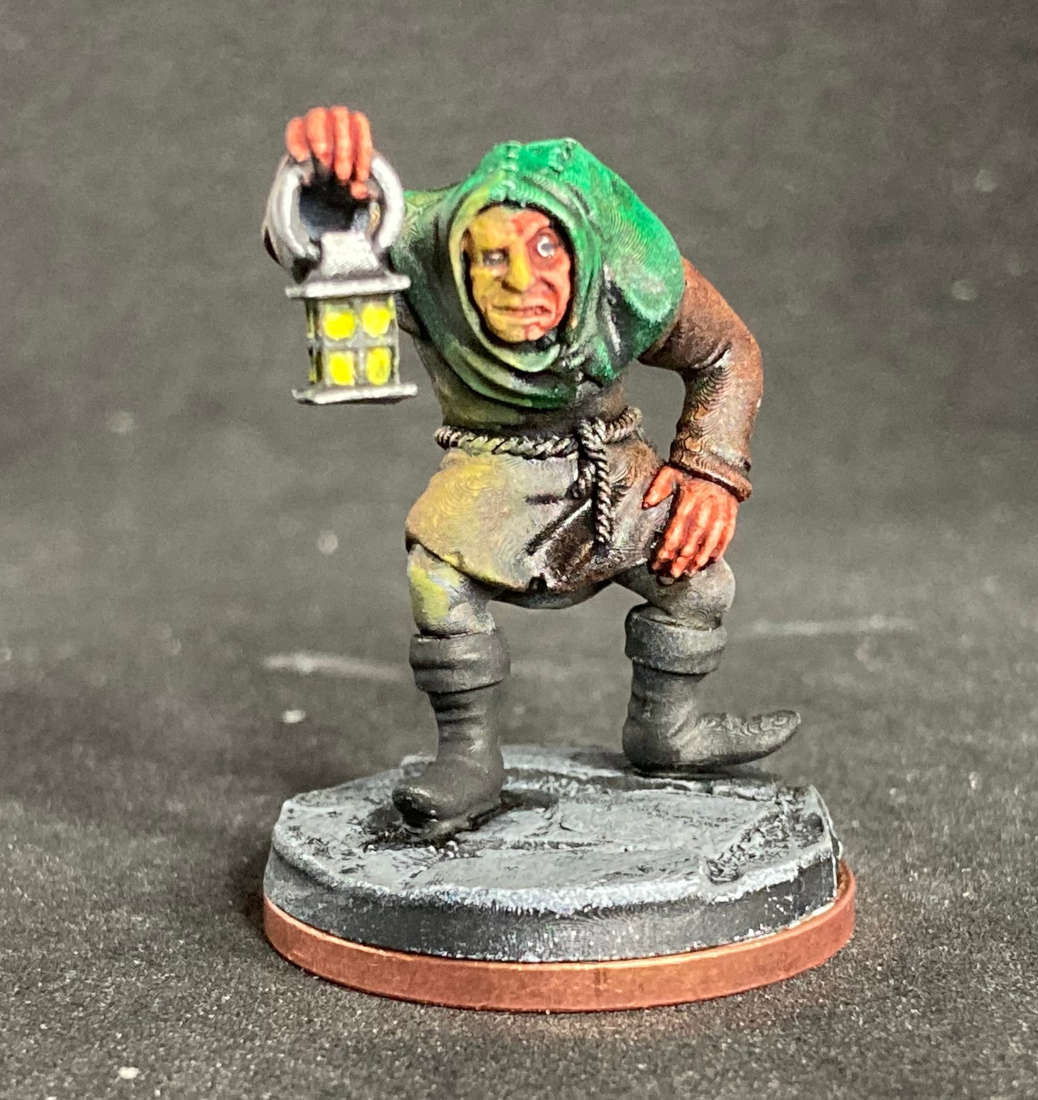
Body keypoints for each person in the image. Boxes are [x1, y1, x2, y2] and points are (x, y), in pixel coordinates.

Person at [265, 106, 799, 837]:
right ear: (460, 259)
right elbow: (308, 238)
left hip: (612, 469)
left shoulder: (628, 277)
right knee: (438, 578)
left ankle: (666, 728)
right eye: (493, 258)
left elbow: (726, 352)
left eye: (546, 249)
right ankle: (469, 758)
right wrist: (326, 181)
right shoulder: (417, 251)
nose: (521, 280)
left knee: (698, 579)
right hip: (490, 473)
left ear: (580, 251)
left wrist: (710, 472)